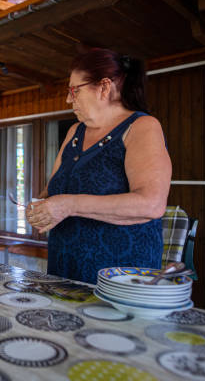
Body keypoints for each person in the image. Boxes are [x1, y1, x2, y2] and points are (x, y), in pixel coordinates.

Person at [26, 48, 172, 284]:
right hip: (65, 268)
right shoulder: (75, 131)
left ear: (104, 87)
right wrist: (39, 208)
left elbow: (151, 204)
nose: (68, 99)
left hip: (120, 277)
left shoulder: (142, 126)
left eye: (74, 90)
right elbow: (51, 190)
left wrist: (68, 205)